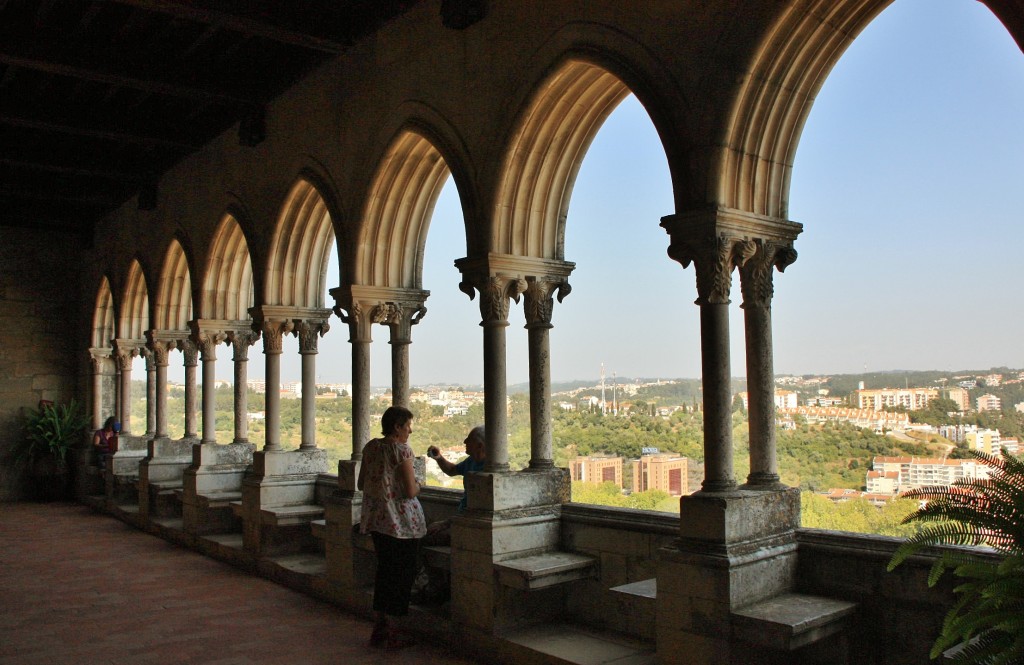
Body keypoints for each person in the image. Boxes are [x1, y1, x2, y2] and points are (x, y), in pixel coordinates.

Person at [357, 405, 426, 649]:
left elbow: (361, 483)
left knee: (384, 573)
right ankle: (394, 632)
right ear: (397, 427)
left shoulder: (371, 447)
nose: (410, 431)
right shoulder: (401, 450)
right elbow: (410, 491)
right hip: (401, 523)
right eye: (408, 426)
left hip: (377, 520)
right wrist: (420, 482)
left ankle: (380, 625)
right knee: (402, 576)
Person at [424, 424, 486, 542]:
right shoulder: (472, 461)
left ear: (479, 446)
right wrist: (439, 458)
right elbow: (452, 470)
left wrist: (445, 524)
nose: (465, 441)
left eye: (469, 439)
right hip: (460, 519)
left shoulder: (488, 469)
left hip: (470, 523)